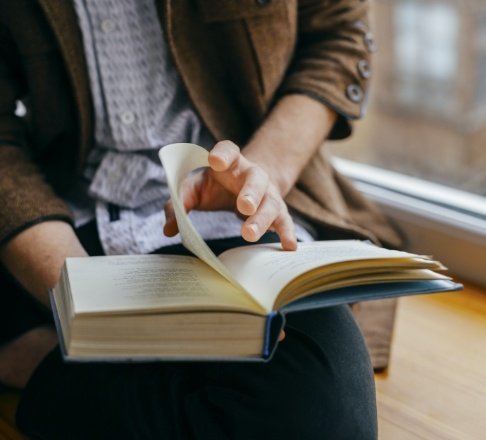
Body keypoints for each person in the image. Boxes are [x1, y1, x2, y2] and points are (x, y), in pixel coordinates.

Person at [0, 0, 402, 438]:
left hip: (235, 213)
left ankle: (38, 361)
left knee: (327, 417)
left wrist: (261, 174)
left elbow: (338, 34)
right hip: (55, 220)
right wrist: (78, 297)